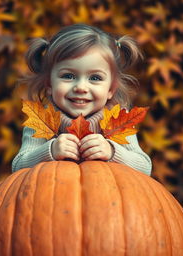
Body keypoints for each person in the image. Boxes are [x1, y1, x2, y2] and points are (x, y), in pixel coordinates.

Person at [12, 24, 152, 175]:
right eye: (68, 76)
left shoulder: (117, 120)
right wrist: (50, 150)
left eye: (95, 78)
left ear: (111, 89)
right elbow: (18, 167)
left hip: (107, 196)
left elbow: (145, 168)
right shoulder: (41, 121)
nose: (81, 87)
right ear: (49, 84)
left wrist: (112, 151)